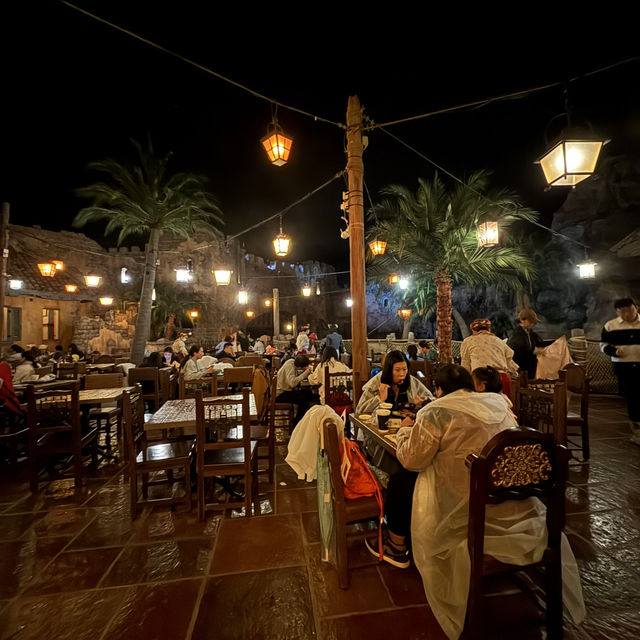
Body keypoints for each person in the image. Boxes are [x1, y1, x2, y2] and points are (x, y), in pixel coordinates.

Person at [366, 364, 585, 638]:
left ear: (440, 390)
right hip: (521, 513)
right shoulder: (499, 403)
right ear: (472, 386)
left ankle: (397, 544)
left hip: (468, 517)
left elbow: (412, 459)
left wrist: (405, 431)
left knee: (405, 479)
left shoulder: (437, 412)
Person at [601, 297, 640, 445]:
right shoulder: (611, 326)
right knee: (632, 397)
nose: (626, 314)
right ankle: (636, 430)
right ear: (617, 312)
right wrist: (614, 351)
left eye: (629, 310)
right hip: (624, 367)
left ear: (636, 307)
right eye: (622, 312)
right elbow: (603, 345)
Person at [355, 350, 432, 415]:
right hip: (379, 426)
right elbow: (360, 410)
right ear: (389, 370)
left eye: (404, 369)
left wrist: (423, 402)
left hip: (404, 426)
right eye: (397, 370)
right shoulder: (377, 382)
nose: (402, 374)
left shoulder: (411, 381)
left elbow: (432, 399)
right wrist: (379, 399)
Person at [276, 354, 314, 424]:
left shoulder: (291, 361)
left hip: (285, 390)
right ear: (300, 366)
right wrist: (305, 373)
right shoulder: (290, 366)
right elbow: (292, 383)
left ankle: (302, 420)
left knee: (308, 393)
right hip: (280, 393)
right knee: (303, 399)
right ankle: (297, 422)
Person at [507, 309, 544, 378]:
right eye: (530, 321)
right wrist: (534, 351)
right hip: (522, 369)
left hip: (529, 368)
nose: (532, 324)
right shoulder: (516, 334)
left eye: (533, 322)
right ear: (522, 320)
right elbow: (519, 352)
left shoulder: (529, 333)